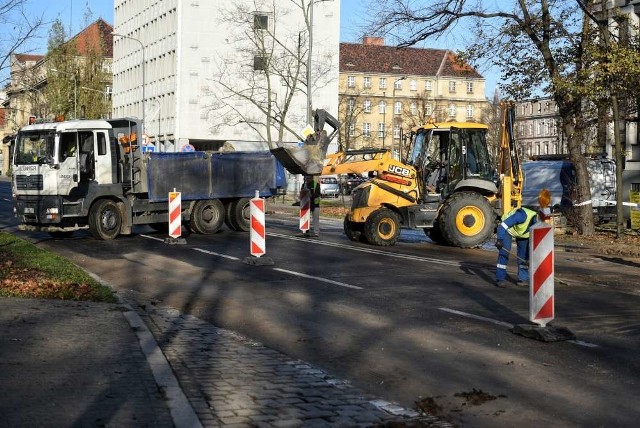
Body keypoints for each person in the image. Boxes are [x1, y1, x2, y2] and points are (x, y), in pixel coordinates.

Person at [494, 191, 551, 288]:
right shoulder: (522, 215)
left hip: (523, 234)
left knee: (524, 257)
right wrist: (499, 240)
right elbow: (502, 226)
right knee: (505, 252)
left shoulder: (539, 225)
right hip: (508, 230)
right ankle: (500, 279)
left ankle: (523, 279)